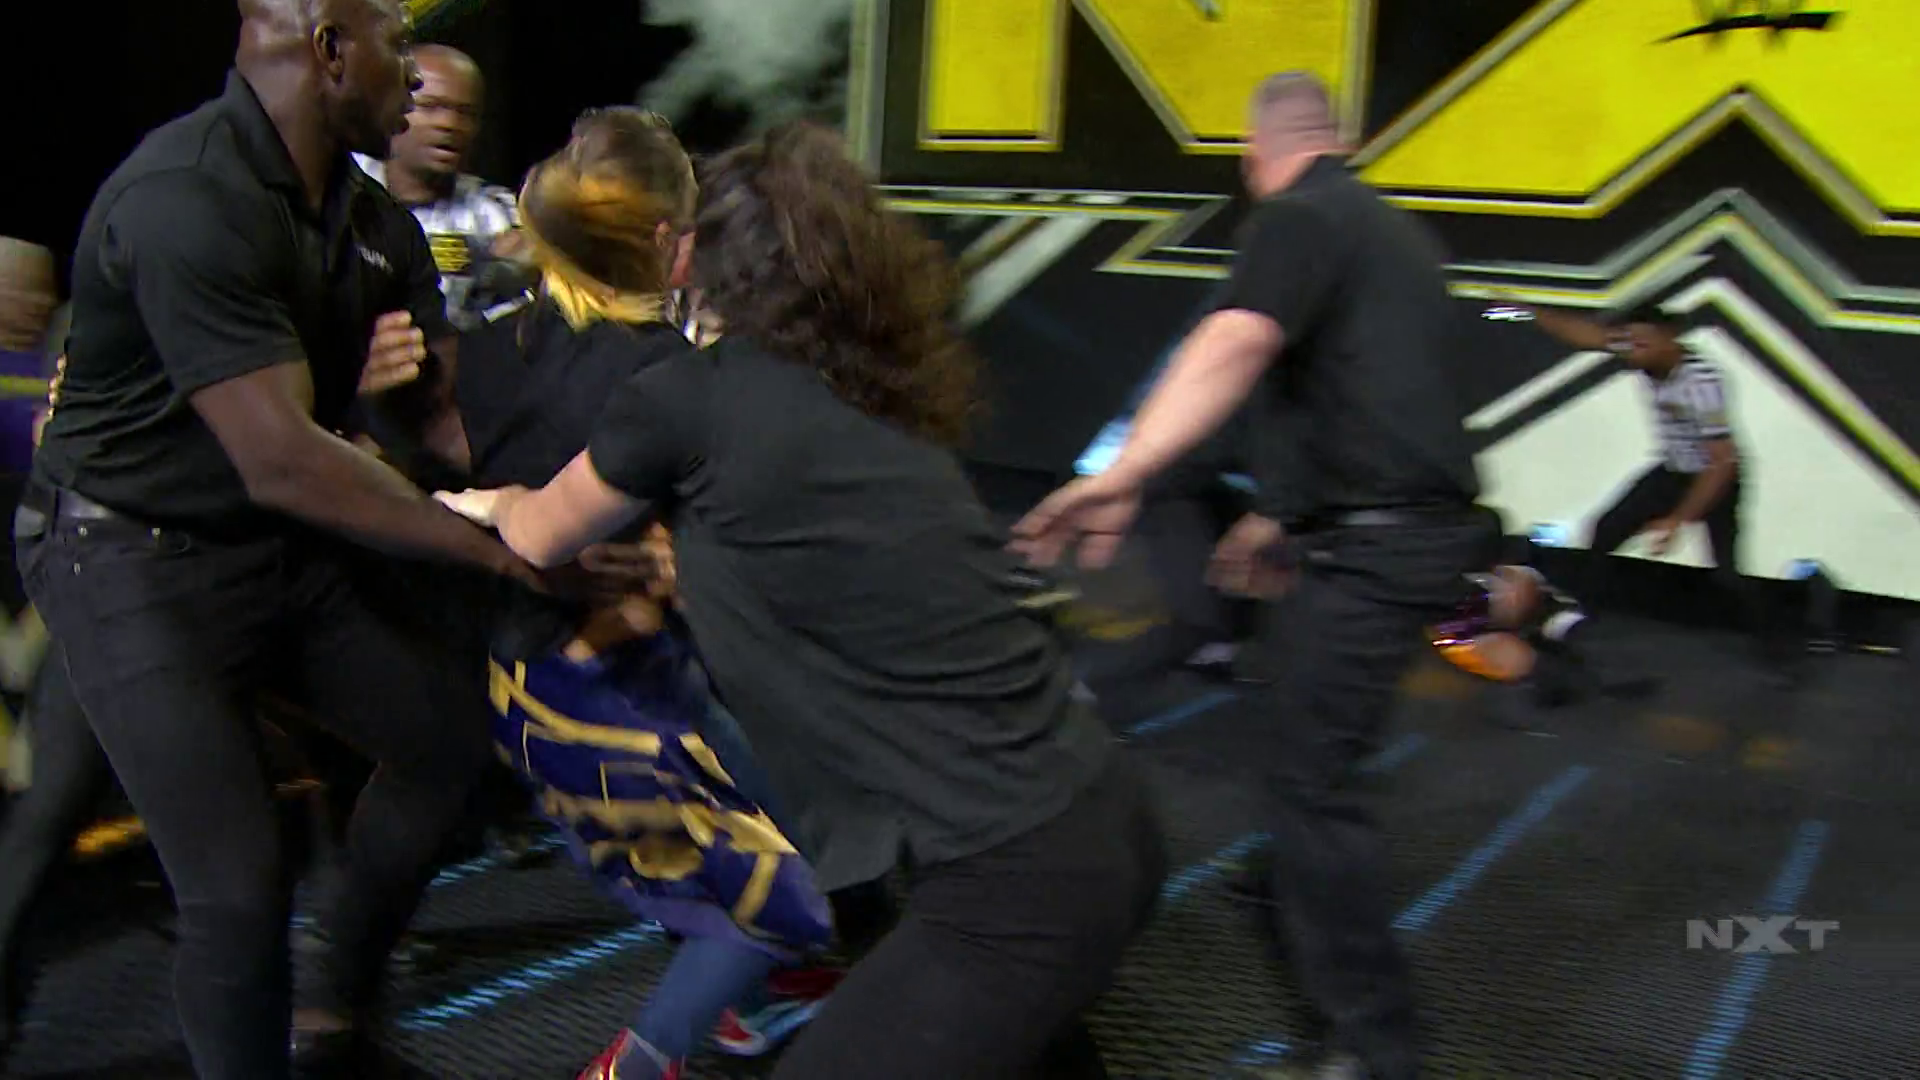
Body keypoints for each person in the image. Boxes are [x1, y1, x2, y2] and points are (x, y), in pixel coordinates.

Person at [438, 120, 1167, 1080]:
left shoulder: (686, 400)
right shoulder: (871, 395)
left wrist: (488, 500)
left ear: (699, 257)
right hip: (1101, 814)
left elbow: (539, 533)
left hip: (1013, 878)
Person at [13, 1, 592, 1075]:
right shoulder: (185, 197)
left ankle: (333, 1010)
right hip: (126, 556)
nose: (415, 81)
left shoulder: (373, 226)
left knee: (444, 743)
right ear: (329, 49)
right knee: (225, 879)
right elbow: (281, 454)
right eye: (397, 50)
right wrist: (497, 548)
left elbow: (444, 423)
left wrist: (586, 495)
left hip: (269, 544)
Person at [1012, 73, 1491, 1080]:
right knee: (1302, 776)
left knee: (1311, 791)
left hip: (1372, 554)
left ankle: (1370, 1052)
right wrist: (1283, 512)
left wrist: (1123, 474)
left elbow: (1233, 339)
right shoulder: (1392, 235)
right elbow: (1377, 403)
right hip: (1391, 538)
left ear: (1253, 149)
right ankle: (1302, 936)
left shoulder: (1297, 217)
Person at [374, 105, 839, 1080]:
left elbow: (452, 463)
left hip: (548, 678)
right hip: (599, 699)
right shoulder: (669, 377)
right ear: (670, 241)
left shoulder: (497, 346)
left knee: (775, 824)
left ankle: (749, 993)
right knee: (778, 902)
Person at [1514, 300, 1789, 669]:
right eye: (1628, 344)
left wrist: (1677, 519)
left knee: (1727, 572)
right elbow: (1588, 335)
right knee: (1605, 530)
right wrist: (1528, 311)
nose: (1631, 353)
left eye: (1641, 344)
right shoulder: (1644, 352)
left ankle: (1777, 646)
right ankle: (1579, 620)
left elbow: (1722, 462)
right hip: (1672, 471)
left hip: (1717, 479)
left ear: (1667, 339)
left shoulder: (1702, 382)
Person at [352, 44, 523, 330]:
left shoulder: (495, 214)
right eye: (430, 107)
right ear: (390, 106)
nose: (450, 124)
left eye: (466, 113)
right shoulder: (339, 188)